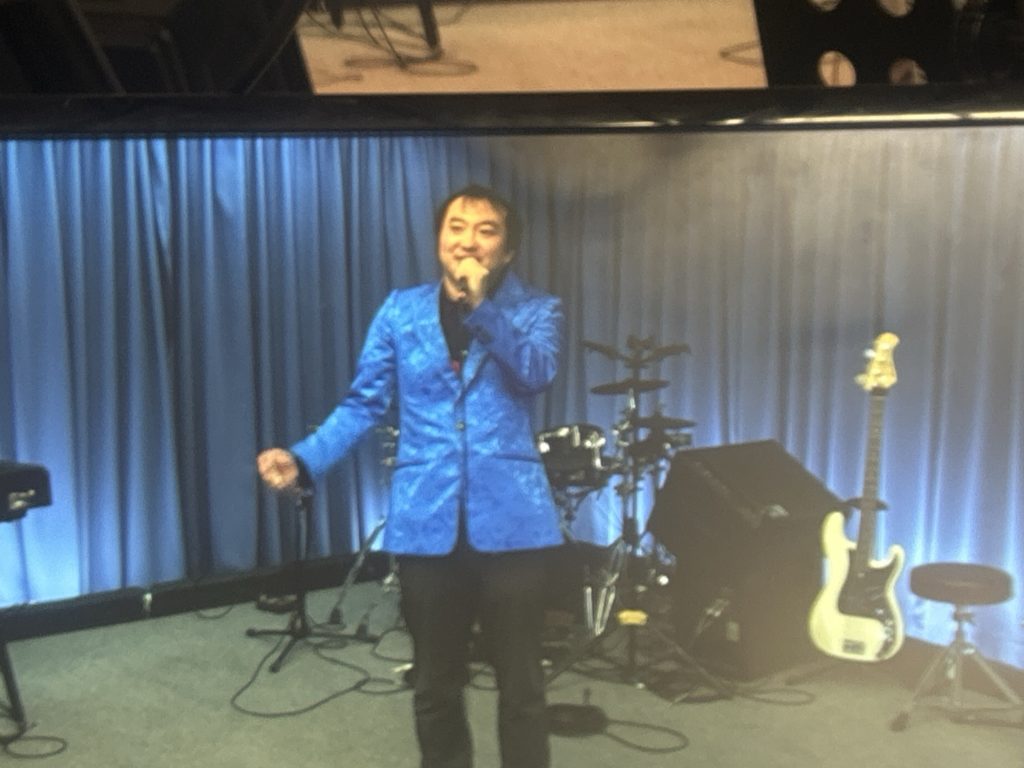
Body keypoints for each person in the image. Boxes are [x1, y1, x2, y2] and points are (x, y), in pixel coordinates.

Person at [257, 184, 564, 768]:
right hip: (426, 521)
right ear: (438, 239)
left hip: (515, 526)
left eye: (486, 230)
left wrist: (482, 308)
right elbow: (363, 403)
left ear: (507, 251)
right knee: (434, 684)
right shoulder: (400, 311)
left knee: (522, 688)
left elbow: (535, 373)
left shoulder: (537, 309)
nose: (467, 240)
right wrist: (304, 458)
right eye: (455, 227)